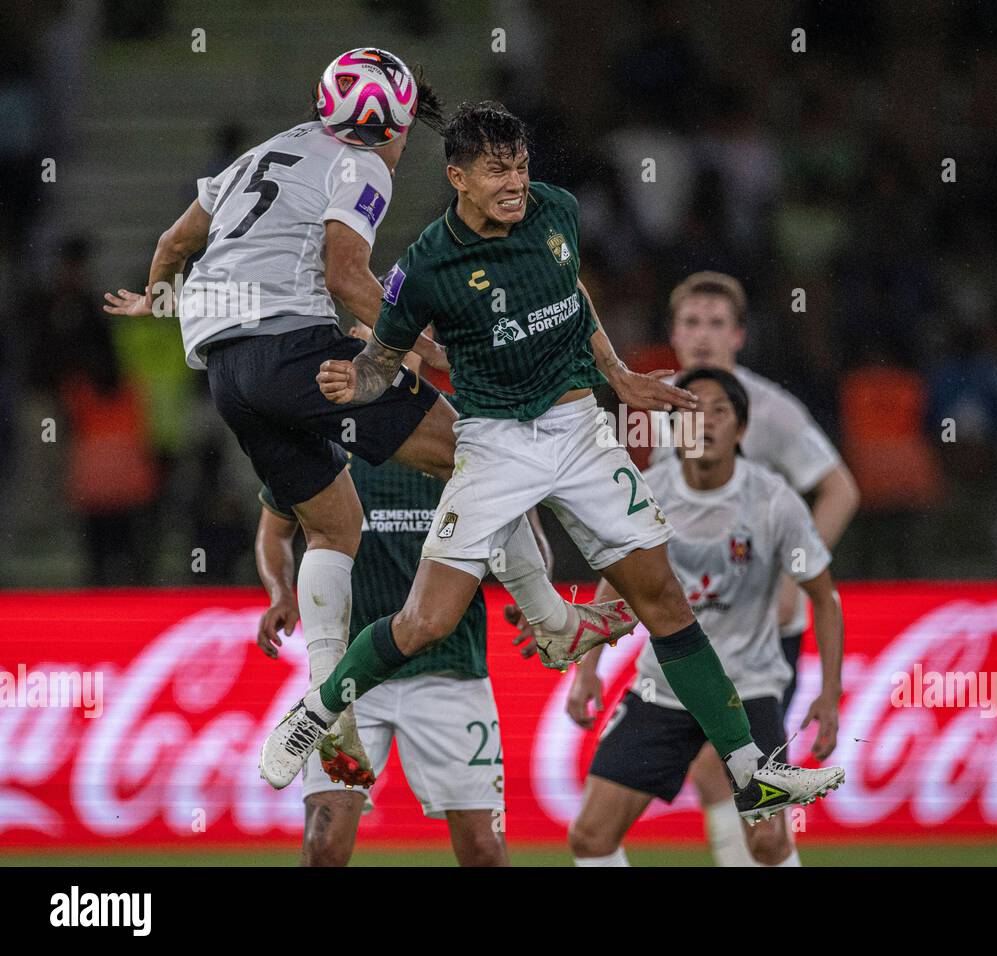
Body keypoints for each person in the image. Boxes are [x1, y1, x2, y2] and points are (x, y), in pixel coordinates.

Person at [260, 102, 845, 823]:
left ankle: (750, 771)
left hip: (577, 431)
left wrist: (620, 376)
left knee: (662, 599)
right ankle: (315, 711)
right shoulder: (427, 266)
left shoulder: (557, 211)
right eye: (497, 170)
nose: (516, 182)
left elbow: (572, 296)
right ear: (457, 177)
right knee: (425, 622)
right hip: (494, 441)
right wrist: (360, 380)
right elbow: (385, 359)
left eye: (522, 165)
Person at [104, 50, 630, 785]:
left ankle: (331, 703)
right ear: (385, 122)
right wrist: (422, 345)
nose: (408, 135)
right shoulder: (361, 162)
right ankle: (551, 620)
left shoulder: (268, 150)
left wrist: (161, 303)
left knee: (332, 525)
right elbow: (345, 273)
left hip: (227, 373)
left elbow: (173, 245)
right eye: (406, 120)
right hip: (295, 348)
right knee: (477, 454)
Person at [562, 369, 844, 866]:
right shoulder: (645, 491)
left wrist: (828, 696)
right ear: (675, 428)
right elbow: (619, 578)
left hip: (749, 690)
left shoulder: (775, 502)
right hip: (663, 689)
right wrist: (587, 669)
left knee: (769, 841)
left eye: (720, 411)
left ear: (741, 429)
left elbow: (824, 598)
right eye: (692, 411)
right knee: (590, 835)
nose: (706, 422)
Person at [253, 327, 509, 866]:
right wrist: (280, 591)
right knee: (322, 849)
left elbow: (519, 529)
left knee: (484, 851)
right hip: (347, 679)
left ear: (420, 354)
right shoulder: (320, 434)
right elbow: (275, 530)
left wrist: (534, 600)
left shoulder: (461, 432)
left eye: (394, 342)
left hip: (448, 669)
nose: (381, 356)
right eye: (367, 343)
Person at [654, 271, 859, 862]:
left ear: (739, 336)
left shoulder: (769, 410)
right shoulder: (665, 400)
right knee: (724, 775)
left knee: (750, 783)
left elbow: (840, 489)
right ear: (672, 332)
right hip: (704, 621)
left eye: (716, 323)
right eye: (691, 322)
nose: (702, 336)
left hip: (768, 627)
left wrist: (795, 572)